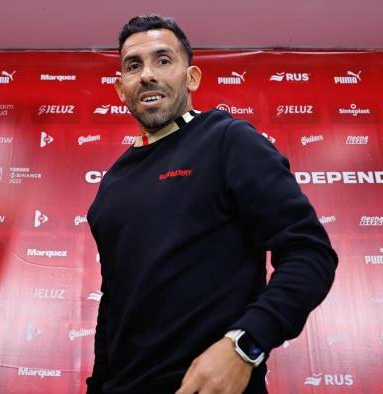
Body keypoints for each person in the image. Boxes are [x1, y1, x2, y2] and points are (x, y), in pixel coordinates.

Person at [86, 15, 338, 394]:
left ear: (192, 78)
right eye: (133, 66)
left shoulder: (228, 141)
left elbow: (310, 253)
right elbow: (114, 304)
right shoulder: (111, 185)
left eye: (164, 60)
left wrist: (244, 345)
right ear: (121, 89)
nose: (148, 75)